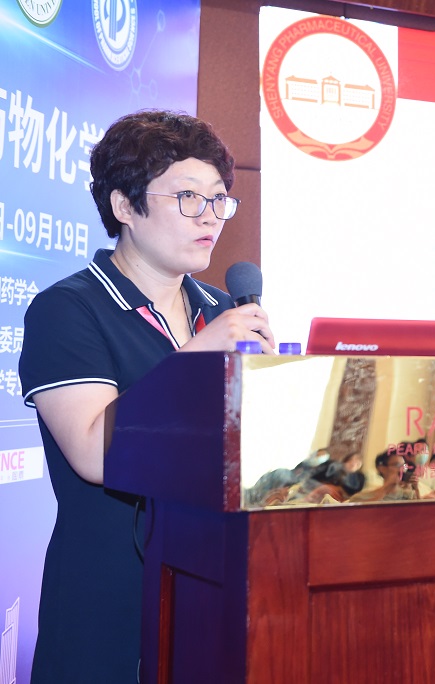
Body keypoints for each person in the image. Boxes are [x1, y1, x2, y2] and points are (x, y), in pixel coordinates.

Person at [19, 110, 276, 683]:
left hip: (210, 590)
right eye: (188, 197)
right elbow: (93, 452)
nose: (209, 215)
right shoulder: (68, 309)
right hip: (107, 602)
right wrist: (199, 353)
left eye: (219, 198)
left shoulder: (220, 310)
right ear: (125, 206)